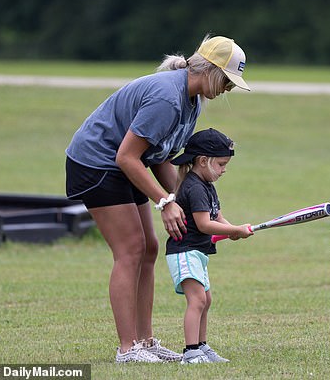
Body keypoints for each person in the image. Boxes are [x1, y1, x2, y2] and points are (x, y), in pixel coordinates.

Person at [65, 36, 250, 363]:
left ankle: (146, 342)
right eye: (227, 80)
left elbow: (161, 155)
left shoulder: (192, 100)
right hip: (96, 162)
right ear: (209, 70)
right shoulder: (168, 98)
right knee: (131, 249)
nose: (229, 89)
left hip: (128, 163)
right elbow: (126, 157)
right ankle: (128, 349)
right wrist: (165, 203)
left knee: (149, 247)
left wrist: (185, 204)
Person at [166, 128, 254, 364]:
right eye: (222, 164)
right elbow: (205, 225)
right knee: (197, 301)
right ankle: (190, 352)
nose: (224, 170)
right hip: (184, 251)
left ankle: (202, 348)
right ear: (203, 161)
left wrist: (233, 230)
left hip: (197, 252)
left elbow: (217, 219)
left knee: (206, 300)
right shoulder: (194, 187)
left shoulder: (207, 186)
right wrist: (234, 230)